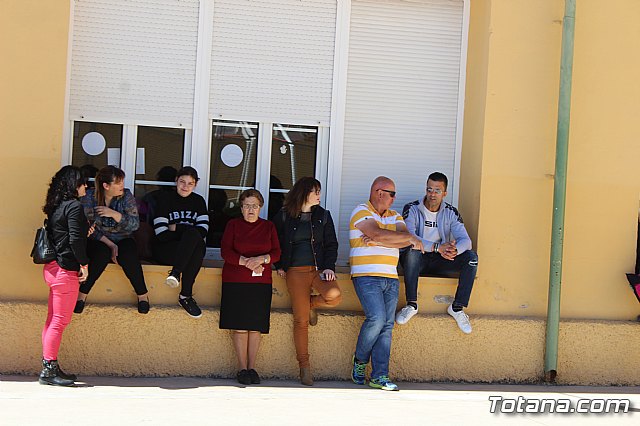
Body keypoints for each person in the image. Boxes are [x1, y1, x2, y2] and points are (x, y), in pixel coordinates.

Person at [349, 176, 424, 391]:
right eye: (392, 194)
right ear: (379, 193)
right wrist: (382, 237)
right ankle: (361, 360)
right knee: (377, 319)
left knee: (387, 326)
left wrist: (383, 239)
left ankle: (380, 376)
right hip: (366, 275)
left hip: (390, 277)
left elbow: (407, 237)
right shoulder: (361, 211)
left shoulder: (395, 215)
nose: (394, 198)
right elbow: (377, 232)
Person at [273, 177, 342, 386]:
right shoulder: (285, 215)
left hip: (318, 270)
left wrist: (329, 266)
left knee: (334, 296)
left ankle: (309, 305)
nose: (319, 195)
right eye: (316, 191)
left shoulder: (323, 215)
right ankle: (304, 367)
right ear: (305, 193)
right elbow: (274, 241)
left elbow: (331, 244)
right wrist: (279, 265)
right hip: (295, 272)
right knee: (301, 322)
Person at [396, 172, 478, 334]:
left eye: (437, 190)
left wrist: (453, 250)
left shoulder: (451, 212)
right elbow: (409, 238)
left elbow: (466, 241)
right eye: (429, 189)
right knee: (413, 251)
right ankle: (411, 304)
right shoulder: (411, 208)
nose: (432, 194)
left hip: (440, 259)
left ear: (444, 193)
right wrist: (436, 247)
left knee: (471, 258)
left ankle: (457, 307)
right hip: (416, 260)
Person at [220, 189, 281, 385]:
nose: (251, 209)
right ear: (241, 208)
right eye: (247, 206)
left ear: (260, 207)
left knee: (255, 328)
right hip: (235, 281)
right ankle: (242, 368)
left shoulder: (269, 226)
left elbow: (277, 253)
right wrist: (244, 261)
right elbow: (225, 252)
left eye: (254, 206)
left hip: (260, 282)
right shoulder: (233, 225)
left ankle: (252, 368)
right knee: (239, 327)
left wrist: (261, 259)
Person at [75, 166, 150, 314]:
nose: (122, 186)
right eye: (118, 183)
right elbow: (87, 227)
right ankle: (81, 295)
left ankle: (143, 295)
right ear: (106, 186)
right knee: (101, 255)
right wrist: (110, 245)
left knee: (128, 255)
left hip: (123, 237)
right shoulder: (89, 197)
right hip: (99, 240)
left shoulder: (126, 196)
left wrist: (115, 214)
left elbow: (134, 225)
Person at [40, 165, 90, 386]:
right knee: (60, 321)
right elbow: (75, 241)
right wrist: (84, 264)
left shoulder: (56, 207)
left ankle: (49, 365)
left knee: (52, 320)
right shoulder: (74, 207)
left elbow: (66, 235)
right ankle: (49, 370)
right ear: (73, 185)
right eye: (82, 182)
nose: (86, 186)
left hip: (51, 268)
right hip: (65, 271)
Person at [152, 166, 209, 318]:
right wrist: (189, 232)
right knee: (194, 241)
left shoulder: (198, 201)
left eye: (190, 183)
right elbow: (161, 234)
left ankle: (176, 274)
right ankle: (185, 296)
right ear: (176, 181)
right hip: (165, 249)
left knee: (196, 243)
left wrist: (176, 228)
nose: (185, 186)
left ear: (195, 184)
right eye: (182, 182)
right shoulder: (165, 199)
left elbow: (203, 231)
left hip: (185, 252)